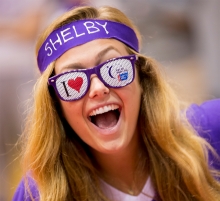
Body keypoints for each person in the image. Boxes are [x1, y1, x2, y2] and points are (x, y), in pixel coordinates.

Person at [12, 5, 220, 201]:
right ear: (56, 104)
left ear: (142, 77)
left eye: (115, 68)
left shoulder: (208, 132)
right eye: (72, 82)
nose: (98, 88)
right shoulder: (40, 192)